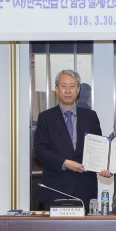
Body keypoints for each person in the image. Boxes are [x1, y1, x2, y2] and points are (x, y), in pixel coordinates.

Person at [34, 69, 102, 210]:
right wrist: (64, 163)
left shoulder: (90, 116)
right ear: (56, 89)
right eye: (64, 86)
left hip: (85, 187)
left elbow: (99, 147)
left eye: (72, 86)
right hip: (55, 187)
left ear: (78, 89)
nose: (68, 90)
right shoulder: (45, 117)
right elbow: (40, 150)